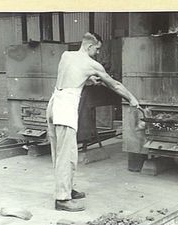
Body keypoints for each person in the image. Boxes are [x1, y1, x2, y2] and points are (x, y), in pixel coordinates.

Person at [46, 32, 140, 212]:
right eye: (97, 49)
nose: (97, 53)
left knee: (59, 153)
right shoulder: (92, 64)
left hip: (53, 104)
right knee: (68, 156)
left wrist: (87, 79)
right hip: (65, 107)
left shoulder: (67, 55)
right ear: (90, 46)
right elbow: (115, 85)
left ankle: (67, 189)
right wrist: (132, 99)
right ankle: (62, 199)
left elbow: (70, 76)